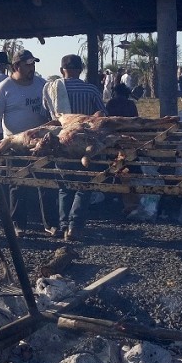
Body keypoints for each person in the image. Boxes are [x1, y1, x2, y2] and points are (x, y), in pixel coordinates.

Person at [43, 54, 106, 241]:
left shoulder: (51, 88)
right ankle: (75, 227)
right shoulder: (91, 90)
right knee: (83, 185)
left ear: (62, 70)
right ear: (80, 69)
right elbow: (102, 115)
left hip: (61, 143)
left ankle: (63, 226)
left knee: (64, 187)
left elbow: (48, 115)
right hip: (84, 143)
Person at [0, 49, 50, 234]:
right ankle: (19, 224)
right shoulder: (4, 88)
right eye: (28, 64)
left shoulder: (42, 84)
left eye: (33, 64)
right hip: (14, 143)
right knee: (17, 185)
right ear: (16, 66)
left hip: (41, 143)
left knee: (46, 182)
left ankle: (50, 224)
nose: (32, 68)